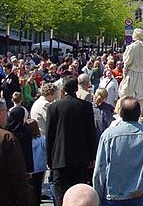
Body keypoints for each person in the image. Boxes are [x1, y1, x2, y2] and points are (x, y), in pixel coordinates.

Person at [93, 96, 143, 206]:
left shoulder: (108, 135)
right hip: (140, 191)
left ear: (120, 113)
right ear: (140, 112)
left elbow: (100, 169)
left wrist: (97, 195)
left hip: (113, 194)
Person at [46, 76, 98, 206]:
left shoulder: (54, 108)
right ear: (76, 89)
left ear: (63, 89)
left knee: (61, 198)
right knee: (79, 196)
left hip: (60, 158)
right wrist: (92, 156)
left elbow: (49, 136)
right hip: (81, 158)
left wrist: (49, 159)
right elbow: (91, 133)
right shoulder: (85, 107)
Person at [118, 28, 143, 106]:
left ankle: (126, 113)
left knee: (127, 95)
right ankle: (139, 114)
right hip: (142, 73)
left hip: (132, 72)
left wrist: (125, 72)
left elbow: (127, 61)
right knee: (140, 97)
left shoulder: (131, 47)